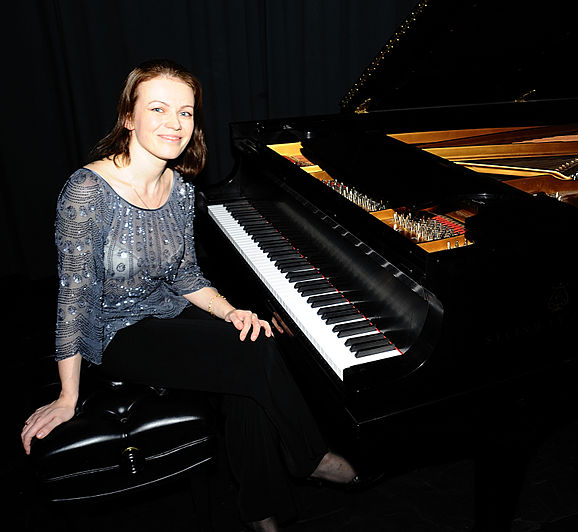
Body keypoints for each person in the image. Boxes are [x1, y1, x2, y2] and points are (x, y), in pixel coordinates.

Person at [20, 59, 360, 532]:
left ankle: (261, 511)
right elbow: (74, 300)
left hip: (168, 310)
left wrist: (230, 311)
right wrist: (67, 395)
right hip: (116, 333)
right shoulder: (86, 192)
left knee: (247, 348)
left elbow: (185, 275)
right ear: (128, 117)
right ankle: (311, 455)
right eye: (158, 108)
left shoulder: (179, 188)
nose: (174, 123)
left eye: (186, 112)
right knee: (257, 353)